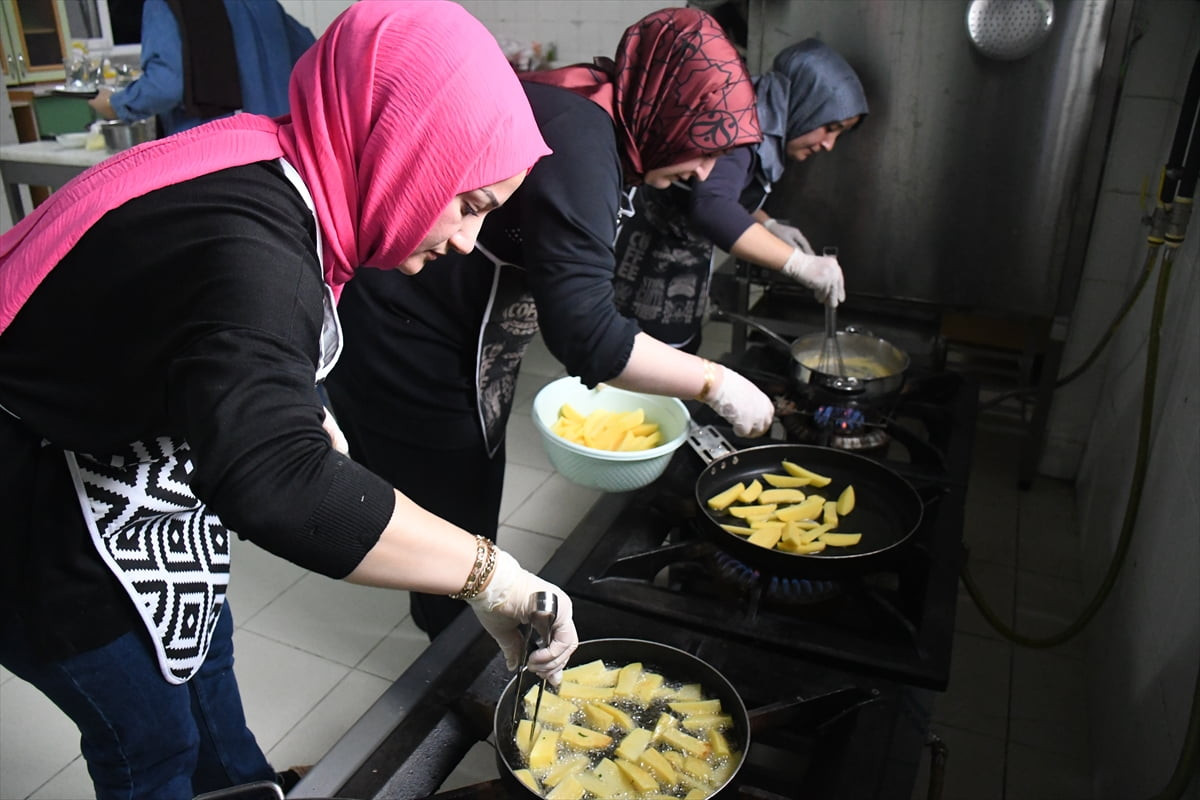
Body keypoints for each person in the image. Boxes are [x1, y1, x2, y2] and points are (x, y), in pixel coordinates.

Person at [0, 3, 577, 800]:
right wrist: (492, 576)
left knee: (208, 660)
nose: (465, 244)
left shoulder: (273, 158)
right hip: (33, 511)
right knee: (151, 740)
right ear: (406, 146)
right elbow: (278, 478)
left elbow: (221, 351)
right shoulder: (253, 248)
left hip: (130, 480)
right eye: (470, 205)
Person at [324, 6, 777, 639]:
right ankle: (454, 666)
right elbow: (585, 336)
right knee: (459, 522)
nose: (703, 174)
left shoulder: (593, 99)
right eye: (703, 149)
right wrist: (714, 383)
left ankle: (453, 625)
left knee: (445, 505)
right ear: (664, 108)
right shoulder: (585, 143)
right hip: (415, 340)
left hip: (402, 318)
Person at [612, 38, 868, 352]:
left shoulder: (757, 111)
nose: (829, 144)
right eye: (830, 127)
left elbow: (721, 190)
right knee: (645, 362)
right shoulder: (741, 127)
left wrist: (769, 225)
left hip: (680, 258)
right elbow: (712, 207)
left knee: (665, 357)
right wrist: (798, 264)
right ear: (805, 102)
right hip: (655, 263)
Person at [88, 0, 315, 136]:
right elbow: (312, 56)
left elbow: (165, 86)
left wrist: (115, 104)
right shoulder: (260, 4)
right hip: (279, 144)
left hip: (211, 152)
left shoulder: (165, 5)